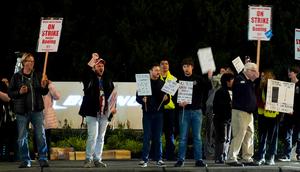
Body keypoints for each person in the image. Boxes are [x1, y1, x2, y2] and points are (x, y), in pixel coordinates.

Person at [8, 52, 49, 168]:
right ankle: (25, 160)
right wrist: (19, 92)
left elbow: (44, 92)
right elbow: (10, 93)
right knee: (22, 137)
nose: (31, 63)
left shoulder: (38, 75)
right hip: (22, 112)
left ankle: (43, 158)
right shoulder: (16, 77)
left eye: (33, 61)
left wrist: (44, 86)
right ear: (24, 62)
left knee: (40, 135)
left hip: (37, 111)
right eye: (29, 61)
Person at [79, 52, 116, 168]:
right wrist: (92, 60)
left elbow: (113, 95)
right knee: (93, 135)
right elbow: (85, 72)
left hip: (104, 113)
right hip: (91, 111)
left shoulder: (108, 78)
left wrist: (114, 107)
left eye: (102, 66)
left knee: (101, 137)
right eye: (98, 65)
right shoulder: (89, 77)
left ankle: (97, 159)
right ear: (94, 67)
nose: (101, 67)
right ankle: (88, 159)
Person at [174, 57, 212, 167]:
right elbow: (173, 95)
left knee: (197, 137)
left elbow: (208, 87)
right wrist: (179, 103)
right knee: (183, 137)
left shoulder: (198, 79)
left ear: (192, 67)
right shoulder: (178, 80)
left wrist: (209, 77)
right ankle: (180, 159)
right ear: (182, 68)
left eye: (188, 66)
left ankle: (199, 160)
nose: (186, 68)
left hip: (197, 112)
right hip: (184, 112)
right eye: (184, 66)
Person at [136, 63, 170, 168]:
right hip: (147, 114)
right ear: (150, 71)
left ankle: (159, 159)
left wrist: (166, 99)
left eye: (159, 70)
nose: (158, 72)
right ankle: (144, 159)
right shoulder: (144, 82)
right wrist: (142, 100)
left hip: (159, 114)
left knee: (158, 137)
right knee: (147, 137)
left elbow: (167, 99)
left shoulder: (163, 83)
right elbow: (137, 98)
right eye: (156, 70)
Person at [226, 62, 259, 166]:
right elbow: (243, 90)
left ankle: (247, 157)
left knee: (249, 135)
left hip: (249, 113)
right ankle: (231, 158)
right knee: (239, 134)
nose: (255, 73)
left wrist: (253, 81)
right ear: (248, 70)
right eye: (254, 71)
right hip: (240, 111)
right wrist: (252, 81)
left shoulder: (248, 81)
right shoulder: (240, 79)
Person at [255, 70, 280, 165]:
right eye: (261, 76)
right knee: (262, 137)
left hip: (273, 116)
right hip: (263, 116)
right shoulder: (260, 87)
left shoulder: (275, 87)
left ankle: (271, 157)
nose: (261, 78)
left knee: (272, 138)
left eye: (263, 76)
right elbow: (257, 100)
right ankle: (261, 157)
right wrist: (262, 105)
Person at [278, 66, 300, 162]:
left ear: (295, 73)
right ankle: (287, 155)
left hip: (298, 114)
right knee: (287, 134)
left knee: (297, 135)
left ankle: (298, 153)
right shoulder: (286, 85)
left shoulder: (299, 84)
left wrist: (294, 110)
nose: (289, 73)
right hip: (287, 113)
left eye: (290, 72)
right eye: (288, 71)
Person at [213, 73, 234, 164]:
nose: (234, 82)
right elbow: (218, 106)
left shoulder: (230, 91)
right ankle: (219, 156)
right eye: (232, 80)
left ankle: (223, 156)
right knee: (222, 138)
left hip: (227, 119)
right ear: (227, 81)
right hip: (221, 119)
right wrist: (230, 105)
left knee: (226, 138)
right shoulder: (221, 91)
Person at [159, 59, 177, 160]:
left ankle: (170, 154)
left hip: (170, 109)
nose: (165, 66)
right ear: (160, 66)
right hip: (159, 109)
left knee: (169, 133)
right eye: (163, 64)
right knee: (158, 132)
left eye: (167, 64)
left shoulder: (173, 79)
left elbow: (175, 96)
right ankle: (157, 154)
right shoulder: (157, 78)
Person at [43, 80, 61, 160]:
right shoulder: (36, 86)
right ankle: (37, 154)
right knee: (37, 135)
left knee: (47, 135)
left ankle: (47, 155)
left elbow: (57, 96)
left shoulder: (49, 88)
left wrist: (51, 85)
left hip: (47, 115)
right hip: (37, 114)